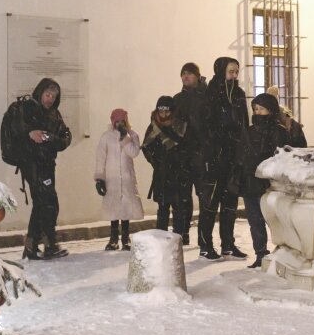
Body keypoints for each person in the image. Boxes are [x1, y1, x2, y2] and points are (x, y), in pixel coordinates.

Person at [0, 77, 73, 261]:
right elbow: (17, 129)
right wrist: (29, 133)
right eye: (48, 95)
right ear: (40, 92)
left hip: (47, 164)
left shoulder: (54, 114)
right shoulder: (27, 108)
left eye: (53, 96)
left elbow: (65, 137)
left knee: (43, 203)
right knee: (48, 202)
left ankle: (32, 246)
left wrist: (51, 138)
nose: (50, 99)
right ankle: (48, 244)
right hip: (32, 163)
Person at [241, 91, 306, 268]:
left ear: (270, 110)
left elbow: (282, 156)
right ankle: (260, 254)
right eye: (255, 109)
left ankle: (283, 253)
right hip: (251, 181)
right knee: (255, 221)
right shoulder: (249, 130)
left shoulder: (279, 131)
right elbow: (243, 154)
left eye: (261, 109)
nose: (258, 112)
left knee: (276, 220)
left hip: (270, 183)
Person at [198, 56, 250, 260]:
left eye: (236, 72)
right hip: (213, 159)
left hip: (233, 159)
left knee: (230, 205)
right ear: (221, 71)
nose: (234, 75)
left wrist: (242, 153)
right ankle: (205, 245)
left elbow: (244, 125)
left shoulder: (239, 95)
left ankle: (228, 244)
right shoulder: (210, 94)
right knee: (209, 205)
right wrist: (210, 153)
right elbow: (203, 127)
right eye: (231, 71)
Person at [142, 95, 198, 244]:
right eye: (161, 111)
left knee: (179, 207)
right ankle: (161, 240)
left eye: (167, 111)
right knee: (162, 207)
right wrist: (157, 162)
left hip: (178, 173)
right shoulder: (153, 127)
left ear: (172, 111)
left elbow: (188, 147)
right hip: (161, 174)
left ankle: (179, 238)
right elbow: (146, 147)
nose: (164, 114)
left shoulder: (180, 126)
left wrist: (180, 161)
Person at [94, 108, 144, 251]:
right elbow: (100, 158)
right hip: (112, 179)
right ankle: (113, 239)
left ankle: (126, 239)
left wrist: (125, 138)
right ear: (113, 122)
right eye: (117, 121)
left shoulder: (132, 135)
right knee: (114, 208)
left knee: (126, 208)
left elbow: (134, 152)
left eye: (122, 121)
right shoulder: (106, 137)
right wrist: (99, 178)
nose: (120, 124)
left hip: (127, 178)